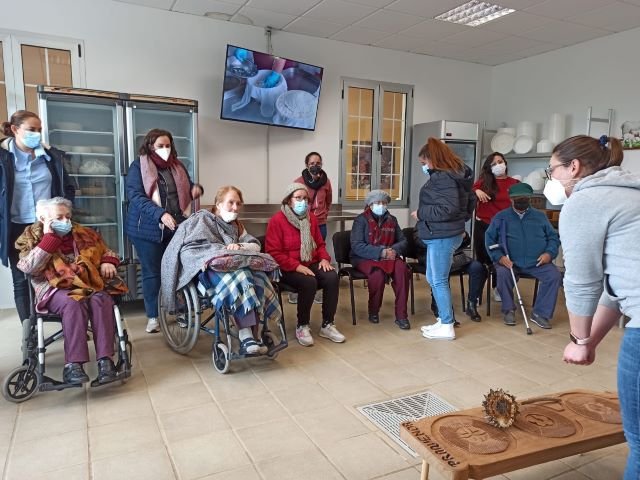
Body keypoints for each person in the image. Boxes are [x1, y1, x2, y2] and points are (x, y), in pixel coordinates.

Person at [550, 135, 639, 479]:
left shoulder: (586, 201)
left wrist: (578, 337)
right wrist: (590, 341)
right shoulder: (631, 191)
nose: (551, 179)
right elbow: (616, 287)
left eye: (552, 169)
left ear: (573, 167)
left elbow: (582, 281)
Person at [15, 197, 128, 385]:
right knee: (73, 302)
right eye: (59, 217)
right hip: (53, 288)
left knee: (101, 299)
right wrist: (49, 239)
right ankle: (73, 365)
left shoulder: (83, 233)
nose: (66, 221)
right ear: (43, 219)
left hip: (87, 285)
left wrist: (109, 261)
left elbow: (107, 251)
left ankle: (105, 361)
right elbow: (28, 267)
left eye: (68, 216)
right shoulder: (31, 237)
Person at [160, 186, 282, 355]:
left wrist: (238, 246)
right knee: (242, 274)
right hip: (204, 270)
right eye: (230, 202)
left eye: (238, 203)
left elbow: (255, 244)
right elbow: (188, 249)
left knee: (258, 275)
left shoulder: (237, 226)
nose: (235, 207)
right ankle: (246, 335)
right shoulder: (202, 219)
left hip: (231, 266)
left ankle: (254, 333)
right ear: (218, 204)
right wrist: (217, 253)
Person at [125, 128, 203, 334]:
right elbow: (136, 196)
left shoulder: (177, 166)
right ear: (150, 146)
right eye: (160, 146)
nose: (165, 149)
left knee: (179, 268)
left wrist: (195, 189)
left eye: (168, 145)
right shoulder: (138, 167)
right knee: (153, 273)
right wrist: (160, 214)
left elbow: (187, 186)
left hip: (176, 226)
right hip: (146, 229)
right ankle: (153, 316)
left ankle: (180, 309)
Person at [0, 110, 75, 323]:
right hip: (15, 227)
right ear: (15, 130)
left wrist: (64, 213)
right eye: (31, 130)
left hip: (46, 225)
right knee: (22, 279)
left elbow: (67, 187)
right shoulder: (3, 158)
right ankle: (29, 330)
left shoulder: (50, 157)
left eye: (39, 130)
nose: (37, 134)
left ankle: (68, 320)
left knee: (56, 271)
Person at [411, 137, 475, 341]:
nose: (423, 167)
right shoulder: (457, 176)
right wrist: (460, 221)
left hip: (441, 236)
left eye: (424, 163)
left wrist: (422, 213)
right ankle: (442, 320)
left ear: (433, 159)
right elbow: (469, 201)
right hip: (444, 233)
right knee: (433, 278)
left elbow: (447, 208)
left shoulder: (443, 177)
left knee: (438, 280)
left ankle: (447, 324)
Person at [265, 183, 345, 346]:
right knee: (309, 282)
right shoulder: (277, 221)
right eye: (298, 198)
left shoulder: (311, 219)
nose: (302, 202)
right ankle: (302, 325)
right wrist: (297, 266)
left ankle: (327, 324)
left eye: (305, 199)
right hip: (286, 268)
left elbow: (320, 244)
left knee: (331, 277)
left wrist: (324, 259)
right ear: (289, 201)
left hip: (311, 261)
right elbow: (273, 253)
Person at [485, 183, 561, 329]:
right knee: (502, 274)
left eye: (524, 199)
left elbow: (553, 237)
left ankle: (540, 313)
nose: (521, 202)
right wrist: (499, 257)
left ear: (530, 199)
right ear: (510, 199)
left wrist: (549, 254)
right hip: (509, 262)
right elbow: (490, 240)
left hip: (537, 262)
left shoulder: (540, 217)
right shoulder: (501, 217)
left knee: (554, 276)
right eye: (517, 199)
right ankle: (508, 309)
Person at [350, 189, 411, 330]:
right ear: (370, 205)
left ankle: (401, 315)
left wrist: (393, 250)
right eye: (377, 202)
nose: (381, 205)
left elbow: (403, 241)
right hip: (365, 257)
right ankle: (373, 311)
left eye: (384, 203)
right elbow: (357, 245)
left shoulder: (392, 220)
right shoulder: (361, 220)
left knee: (402, 270)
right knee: (377, 275)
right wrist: (381, 252)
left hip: (390, 255)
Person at [472, 152, 520, 304]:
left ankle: (499, 288)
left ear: (505, 163)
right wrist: (476, 191)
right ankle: (477, 293)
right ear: (489, 168)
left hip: (505, 229)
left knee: (502, 260)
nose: (498, 165)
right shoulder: (483, 182)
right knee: (482, 262)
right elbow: (467, 191)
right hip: (484, 226)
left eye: (500, 161)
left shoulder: (515, 183)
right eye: (494, 164)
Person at [415, 231, 487, 323]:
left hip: (457, 258)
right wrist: (442, 240)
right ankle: (443, 310)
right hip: (435, 256)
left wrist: (464, 236)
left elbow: (466, 241)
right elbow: (419, 242)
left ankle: (471, 304)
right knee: (442, 273)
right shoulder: (424, 221)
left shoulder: (452, 221)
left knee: (477, 267)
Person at [291, 151, 333, 305]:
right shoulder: (299, 182)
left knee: (318, 256)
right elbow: (293, 201)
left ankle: (317, 290)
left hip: (320, 224)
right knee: (301, 255)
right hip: (302, 223)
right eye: (312, 163)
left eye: (318, 163)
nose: (315, 166)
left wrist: (323, 215)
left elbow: (329, 201)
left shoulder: (326, 182)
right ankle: (296, 290)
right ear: (307, 165)